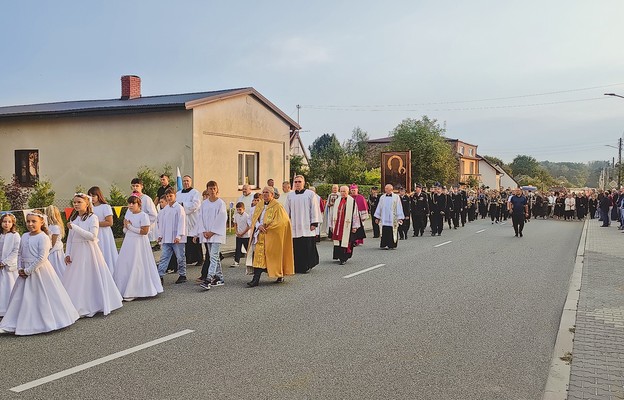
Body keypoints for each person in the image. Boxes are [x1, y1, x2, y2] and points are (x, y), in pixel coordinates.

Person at [0, 211, 79, 335]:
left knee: (41, 297)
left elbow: (42, 257)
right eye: (28, 221)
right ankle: (11, 323)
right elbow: (20, 253)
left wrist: (28, 270)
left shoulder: (43, 237)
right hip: (24, 271)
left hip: (39, 271)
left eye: (33, 221)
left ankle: (45, 322)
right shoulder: (25, 236)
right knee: (21, 298)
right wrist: (20, 268)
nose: (30, 224)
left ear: (41, 222)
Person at [63, 193, 123, 317]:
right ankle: (76, 304)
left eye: (79, 202)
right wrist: (67, 253)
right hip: (76, 249)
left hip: (88, 249)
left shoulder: (92, 218)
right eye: (74, 202)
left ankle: (94, 304)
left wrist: (75, 227)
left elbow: (92, 236)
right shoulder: (73, 219)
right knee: (77, 277)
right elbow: (70, 238)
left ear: (87, 204)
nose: (76, 204)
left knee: (89, 275)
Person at [113, 195, 163, 301]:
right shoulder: (129, 215)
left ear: (138, 204)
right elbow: (125, 231)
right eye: (129, 203)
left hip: (139, 243)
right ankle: (123, 288)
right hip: (129, 242)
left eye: (133, 203)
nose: (130, 205)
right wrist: (126, 226)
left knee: (137, 263)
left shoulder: (143, 215)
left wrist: (130, 227)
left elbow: (144, 232)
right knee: (126, 263)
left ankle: (135, 290)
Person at [246, 186, 294, 286]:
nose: (264, 194)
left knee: (274, 256)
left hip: (272, 236)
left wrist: (269, 227)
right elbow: (254, 217)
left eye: (267, 192)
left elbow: (283, 221)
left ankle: (280, 274)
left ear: (272, 194)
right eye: (263, 192)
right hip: (260, 235)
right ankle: (255, 280)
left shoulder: (278, 206)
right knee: (258, 256)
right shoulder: (259, 204)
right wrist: (259, 226)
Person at [195, 181, 227, 290]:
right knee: (214, 257)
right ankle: (219, 277)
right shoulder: (204, 204)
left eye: (214, 188)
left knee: (213, 256)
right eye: (210, 189)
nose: (212, 191)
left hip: (216, 234)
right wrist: (203, 231)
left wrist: (212, 232)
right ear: (207, 190)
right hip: (206, 234)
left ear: (217, 190)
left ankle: (208, 278)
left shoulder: (220, 203)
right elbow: (200, 218)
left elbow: (221, 219)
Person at [284, 175, 320, 274]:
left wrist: (314, 223)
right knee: (296, 247)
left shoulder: (310, 194)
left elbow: (314, 209)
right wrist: (286, 222)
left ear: (304, 183)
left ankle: (307, 265)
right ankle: (297, 266)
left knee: (307, 246)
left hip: (307, 225)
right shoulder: (290, 195)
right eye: (295, 182)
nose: (297, 184)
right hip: (295, 226)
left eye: (299, 182)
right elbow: (286, 211)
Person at [157, 187, 188, 282]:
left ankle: (182, 275)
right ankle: (160, 276)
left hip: (176, 238)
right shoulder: (165, 210)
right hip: (167, 238)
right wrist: (160, 235)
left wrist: (179, 236)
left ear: (175, 196)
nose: (169, 198)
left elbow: (181, 222)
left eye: (171, 196)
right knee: (164, 257)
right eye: (167, 196)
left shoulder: (179, 208)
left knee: (180, 257)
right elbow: (162, 224)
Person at [88, 186, 118, 274]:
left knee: (105, 252)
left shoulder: (105, 207)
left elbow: (109, 222)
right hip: (93, 233)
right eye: (90, 196)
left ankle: (109, 272)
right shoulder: (89, 208)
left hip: (103, 233)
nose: (91, 198)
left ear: (98, 196)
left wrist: (95, 224)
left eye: (93, 196)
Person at [177, 175, 203, 266]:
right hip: (183, 219)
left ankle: (200, 259)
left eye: (187, 181)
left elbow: (196, 205)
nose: (185, 183)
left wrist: (183, 205)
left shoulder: (195, 192)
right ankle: (189, 259)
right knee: (186, 240)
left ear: (191, 182)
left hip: (192, 219)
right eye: (184, 181)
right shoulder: (178, 193)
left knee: (194, 239)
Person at [331, 185, 361, 264]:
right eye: (341, 191)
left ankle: (344, 257)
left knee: (346, 241)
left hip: (347, 225)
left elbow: (355, 214)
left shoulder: (352, 201)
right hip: (338, 225)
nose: (343, 193)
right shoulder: (337, 201)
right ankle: (338, 255)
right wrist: (331, 225)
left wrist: (355, 226)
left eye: (344, 191)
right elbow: (333, 214)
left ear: (348, 192)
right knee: (338, 240)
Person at [0, 213, 20, 318]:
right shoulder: (1, 235)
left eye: (9, 222)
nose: (6, 224)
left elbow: (16, 250)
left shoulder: (15, 235)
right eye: (4, 221)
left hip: (8, 266)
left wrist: (4, 262)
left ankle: (9, 309)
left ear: (12, 223)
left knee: (9, 286)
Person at [374, 184, 405, 249]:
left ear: (391, 189)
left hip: (392, 218)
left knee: (392, 231)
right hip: (384, 218)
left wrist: (400, 218)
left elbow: (399, 207)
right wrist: (377, 217)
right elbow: (379, 207)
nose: (385, 190)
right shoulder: (382, 197)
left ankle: (392, 245)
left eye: (386, 189)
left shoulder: (396, 197)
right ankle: (384, 244)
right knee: (384, 231)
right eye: (385, 188)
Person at [45, 205, 66, 278]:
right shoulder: (51, 225)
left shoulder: (55, 227)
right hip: (54, 248)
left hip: (54, 251)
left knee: (56, 267)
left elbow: (52, 243)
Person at [232, 202, 251, 267]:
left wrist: (243, 233)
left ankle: (250, 261)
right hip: (238, 235)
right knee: (238, 249)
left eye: (240, 209)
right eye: (237, 209)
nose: (239, 211)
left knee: (247, 249)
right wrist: (236, 232)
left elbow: (249, 226)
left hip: (245, 236)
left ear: (244, 209)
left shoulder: (247, 216)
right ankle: (236, 262)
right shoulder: (236, 215)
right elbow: (235, 224)